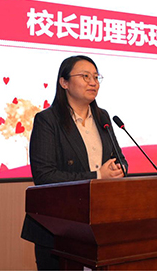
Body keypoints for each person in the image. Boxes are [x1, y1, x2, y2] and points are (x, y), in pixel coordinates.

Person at [21, 55, 128, 270]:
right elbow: (44, 177)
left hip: (100, 225)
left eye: (96, 77)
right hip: (58, 229)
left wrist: (120, 170)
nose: (93, 82)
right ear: (64, 83)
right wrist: (98, 176)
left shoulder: (103, 117)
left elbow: (120, 160)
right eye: (85, 76)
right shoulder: (48, 120)